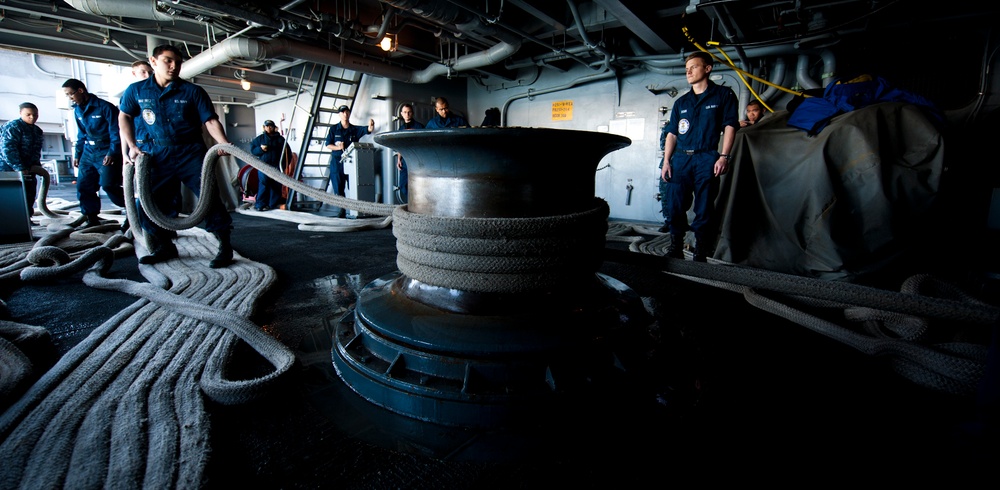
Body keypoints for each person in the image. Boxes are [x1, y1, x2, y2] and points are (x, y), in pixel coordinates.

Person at [118, 44, 236, 268]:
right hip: (156, 154)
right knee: (152, 202)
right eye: (167, 61)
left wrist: (223, 144)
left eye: (178, 62)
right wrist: (131, 146)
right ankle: (163, 247)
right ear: (153, 62)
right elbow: (124, 116)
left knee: (208, 197)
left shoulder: (192, 92)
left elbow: (210, 120)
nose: (174, 66)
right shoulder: (136, 91)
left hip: (190, 152)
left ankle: (224, 246)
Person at [661, 51, 738, 262]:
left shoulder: (724, 95)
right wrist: (667, 161)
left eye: (694, 66)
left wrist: (724, 156)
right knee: (675, 204)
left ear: (708, 68)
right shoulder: (681, 102)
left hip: (707, 158)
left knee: (704, 207)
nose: (689, 71)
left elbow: (730, 126)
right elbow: (672, 134)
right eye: (687, 68)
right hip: (681, 160)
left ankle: (700, 252)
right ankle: (675, 247)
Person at [63, 78, 126, 228]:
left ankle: (132, 211)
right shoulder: (77, 110)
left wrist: (113, 152)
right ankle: (91, 218)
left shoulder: (106, 108)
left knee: (108, 185)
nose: (69, 98)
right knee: (84, 186)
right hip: (88, 152)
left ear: (80, 90)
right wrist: (78, 154)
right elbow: (81, 134)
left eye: (70, 94)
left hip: (106, 151)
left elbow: (117, 133)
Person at [324, 105, 374, 217]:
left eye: (347, 112)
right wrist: (338, 147)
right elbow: (328, 144)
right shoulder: (333, 129)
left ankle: (357, 211)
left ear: (349, 114)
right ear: (339, 115)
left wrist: (371, 126)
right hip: (338, 162)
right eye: (343, 112)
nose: (345, 114)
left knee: (354, 186)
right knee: (338, 187)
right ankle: (341, 210)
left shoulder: (354, 129)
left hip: (352, 163)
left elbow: (367, 130)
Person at [0, 102, 45, 212]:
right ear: (21, 113)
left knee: (29, 194)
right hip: (10, 169)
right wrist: (19, 167)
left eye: (35, 115)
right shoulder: (13, 127)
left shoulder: (37, 130)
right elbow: (8, 149)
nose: (32, 117)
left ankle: (27, 218)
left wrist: (36, 166)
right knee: (14, 196)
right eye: (28, 114)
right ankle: (13, 221)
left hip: (29, 168)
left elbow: (36, 150)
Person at [250, 119, 291, 211]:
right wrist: (261, 150)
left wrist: (283, 166)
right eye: (267, 126)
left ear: (274, 127)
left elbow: (288, 153)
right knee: (264, 184)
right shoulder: (259, 139)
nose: (269, 128)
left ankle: (274, 204)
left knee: (276, 186)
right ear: (264, 127)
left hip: (276, 166)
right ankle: (260, 205)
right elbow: (253, 151)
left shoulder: (280, 140)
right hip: (263, 166)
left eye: (271, 126)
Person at [394, 103, 423, 203]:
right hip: (404, 161)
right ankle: (411, 204)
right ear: (402, 114)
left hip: (416, 160)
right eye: (405, 112)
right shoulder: (401, 129)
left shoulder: (419, 127)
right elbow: (400, 146)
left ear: (412, 113)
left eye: (409, 112)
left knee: (417, 184)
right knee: (403, 185)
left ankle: (416, 206)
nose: (407, 114)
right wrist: (398, 159)